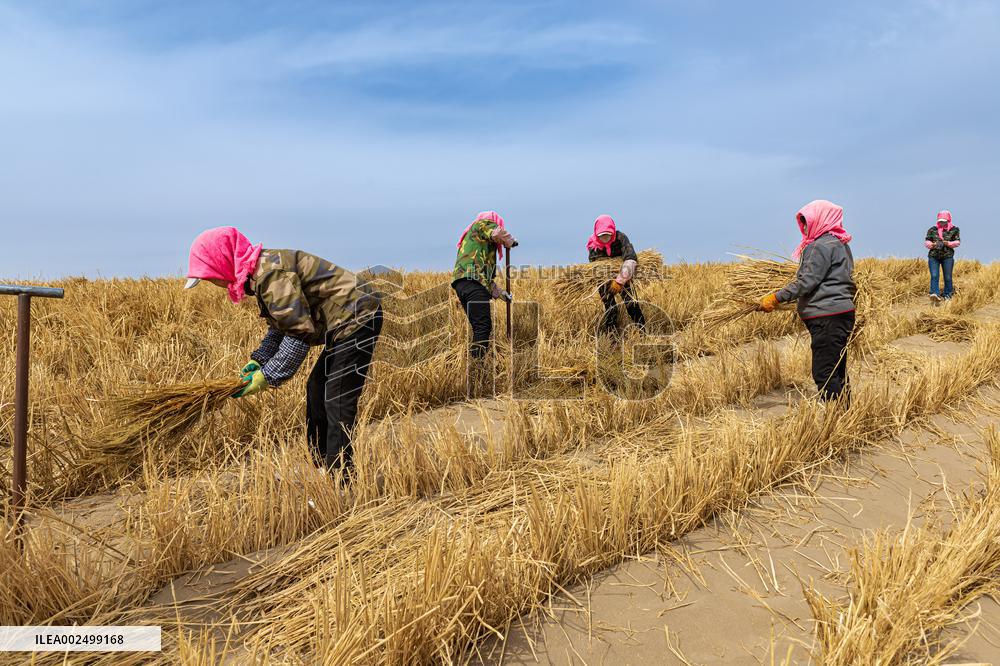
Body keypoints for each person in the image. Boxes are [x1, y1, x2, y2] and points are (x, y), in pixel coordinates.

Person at [184, 227, 381, 476]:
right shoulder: (259, 274)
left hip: (358, 316)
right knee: (316, 388)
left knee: (338, 399)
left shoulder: (270, 274)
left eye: (209, 276)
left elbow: (298, 333)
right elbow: (280, 326)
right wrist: (259, 360)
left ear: (222, 263)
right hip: (342, 321)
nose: (213, 283)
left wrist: (269, 375)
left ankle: (341, 478)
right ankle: (321, 465)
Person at [760, 200, 856, 402]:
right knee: (836, 370)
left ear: (820, 219)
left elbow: (807, 281)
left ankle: (837, 419)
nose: (804, 227)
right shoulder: (840, 244)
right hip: (842, 314)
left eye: (807, 221)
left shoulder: (819, 246)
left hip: (826, 316)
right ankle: (846, 415)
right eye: (802, 222)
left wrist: (776, 297)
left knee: (824, 373)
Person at [451, 211, 517, 359]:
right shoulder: (482, 224)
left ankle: (474, 363)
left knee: (479, 327)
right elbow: (496, 233)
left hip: (463, 284)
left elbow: (484, 280)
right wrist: (510, 241)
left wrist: (501, 294)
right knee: (483, 327)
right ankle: (476, 366)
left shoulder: (476, 243)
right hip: (473, 283)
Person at [587, 215, 646, 335]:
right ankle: (612, 337)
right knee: (610, 308)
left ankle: (643, 332)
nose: (605, 238)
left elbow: (631, 259)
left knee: (631, 304)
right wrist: (607, 282)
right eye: (602, 235)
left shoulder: (621, 238)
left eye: (607, 235)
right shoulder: (593, 245)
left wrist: (620, 281)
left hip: (625, 276)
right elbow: (596, 266)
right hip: (604, 279)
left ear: (612, 231)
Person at [925, 210, 961, 302]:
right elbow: (927, 242)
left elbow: (957, 242)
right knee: (934, 275)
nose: (942, 223)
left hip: (947, 256)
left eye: (944, 221)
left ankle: (947, 295)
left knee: (948, 276)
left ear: (948, 220)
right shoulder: (932, 229)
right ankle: (934, 294)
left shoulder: (954, 229)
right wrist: (932, 244)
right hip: (934, 256)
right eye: (940, 221)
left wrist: (947, 243)